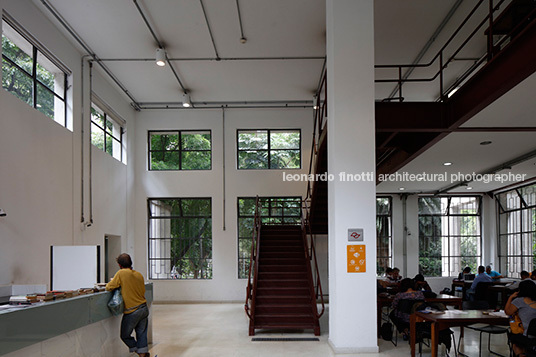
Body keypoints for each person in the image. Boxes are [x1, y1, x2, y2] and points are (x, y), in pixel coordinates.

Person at [106, 253, 150, 357]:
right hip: (144, 308)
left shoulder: (121, 273)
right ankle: (143, 354)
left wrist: (113, 280)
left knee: (125, 335)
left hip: (132, 311)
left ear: (120, 265)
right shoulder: (138, 274)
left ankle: (139, 352)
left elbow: (109, 287)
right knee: (142, 334)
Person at [505, 280, 536, 356]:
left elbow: (508, 312)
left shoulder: (519, 301)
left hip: (527, 335)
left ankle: (521, 355)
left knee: (514, 339)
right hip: (534, 335)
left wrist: (510, 297)